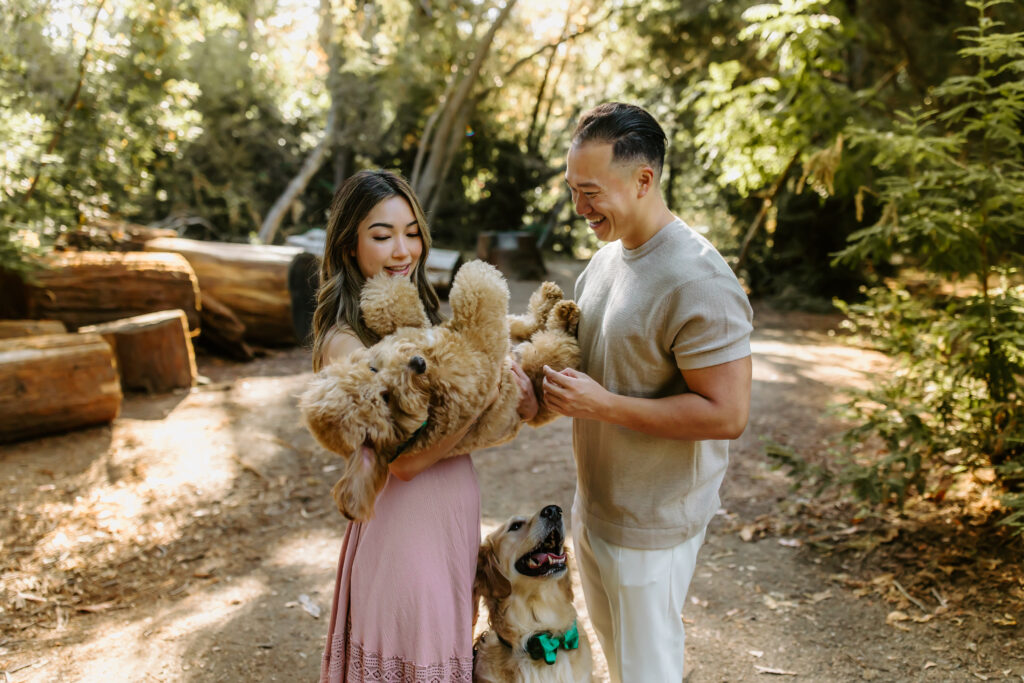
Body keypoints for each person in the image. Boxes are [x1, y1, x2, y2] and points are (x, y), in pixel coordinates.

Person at [541, 102, 754, 682]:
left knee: (647, 673)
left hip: (653, 524)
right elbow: (578, 357)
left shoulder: (698, 278)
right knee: (620, 666)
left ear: (643, 180)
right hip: (598, 508)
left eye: (590, 191)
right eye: (572, 189)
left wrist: (603, 405)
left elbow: (728, 413)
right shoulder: (606, 261)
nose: (579, 207)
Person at [311, 169, 537, 683]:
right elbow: (407, 461)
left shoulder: (420, 326)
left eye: (411, 232)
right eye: (382, 234)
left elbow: (461, 425)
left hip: (449, 518)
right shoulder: (345, 344)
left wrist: (518, 403)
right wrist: (481, 393)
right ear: (349, 247)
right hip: (403, 530)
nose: (402, 250)